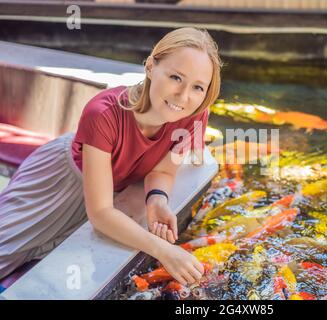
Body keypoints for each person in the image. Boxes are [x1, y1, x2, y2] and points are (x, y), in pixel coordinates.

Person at [0, 27, 222, 286]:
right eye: (175, 77)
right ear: (151, 66)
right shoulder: (102, 113)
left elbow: (163, 170)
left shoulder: (194, 113)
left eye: (197, 87)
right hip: (63, 181)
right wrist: (164, 251)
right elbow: (102, 213)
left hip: (111, 187)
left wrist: (157, 200)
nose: (184, 96)